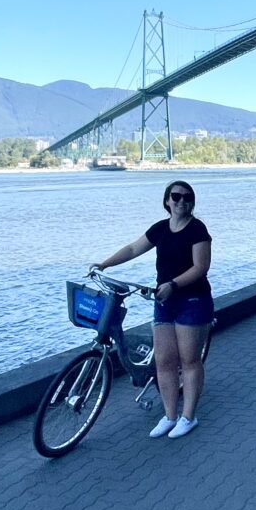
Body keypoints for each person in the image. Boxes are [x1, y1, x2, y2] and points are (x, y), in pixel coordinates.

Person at [91, 180, 213, 440]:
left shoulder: (197, 230)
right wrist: (104, 264)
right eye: (176, 196)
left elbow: (200, 267)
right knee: (164, 361)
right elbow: (134, 248)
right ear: (167, 201)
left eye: (187, 197)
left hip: (192, 300)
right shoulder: (160, 229)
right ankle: (169, 416)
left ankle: (188, 417)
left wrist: (173, 283)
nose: (182, 201)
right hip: (164, 302)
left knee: (189, 361)